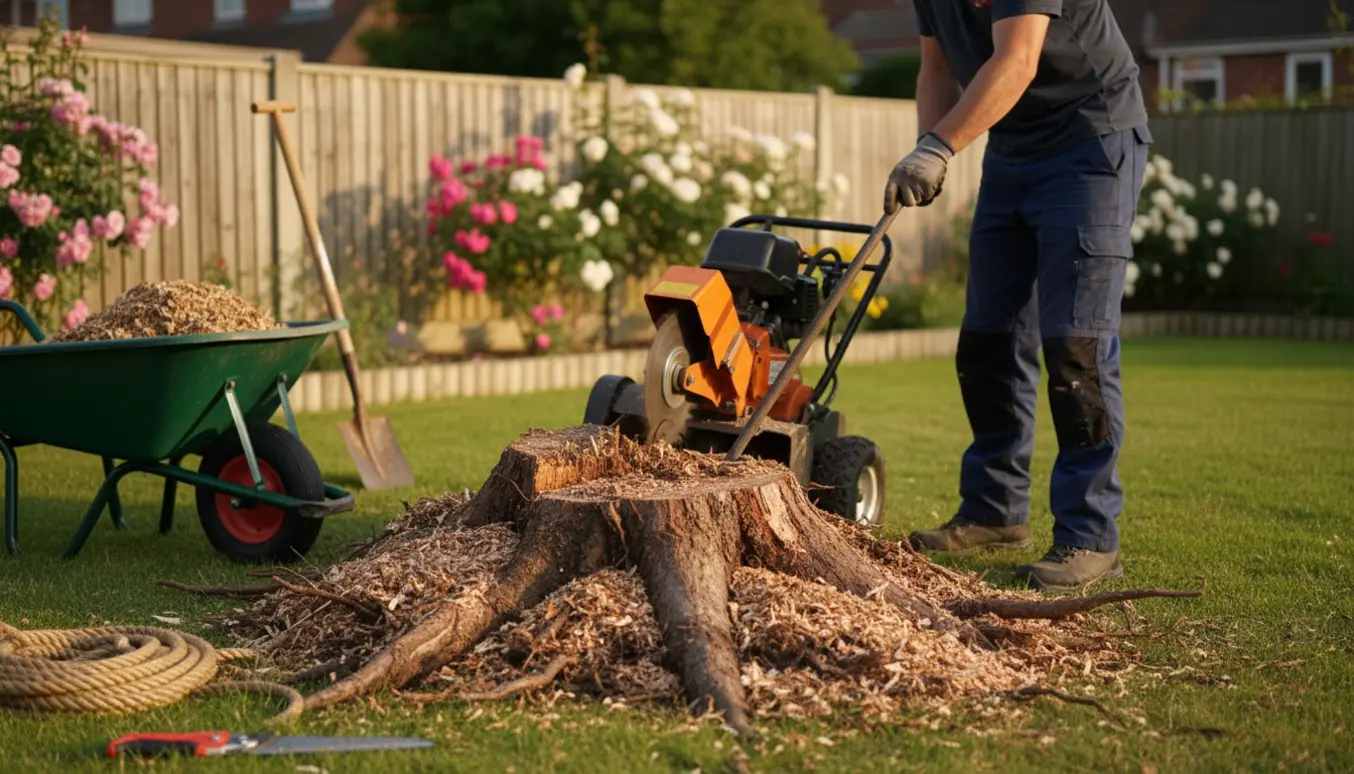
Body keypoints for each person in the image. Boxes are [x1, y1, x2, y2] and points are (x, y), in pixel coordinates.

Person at [883, 0, 1151, 590]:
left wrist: (941, 146)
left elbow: (1019, 58)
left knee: (1075, 347)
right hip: (1012, 151)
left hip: (1091, 139)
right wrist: (930, 145)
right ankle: (994, 510)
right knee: (988, 341)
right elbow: (935, 68)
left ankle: (1090, 533)